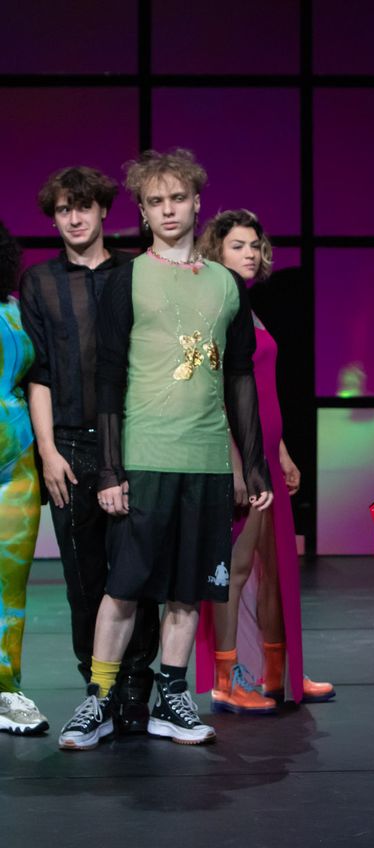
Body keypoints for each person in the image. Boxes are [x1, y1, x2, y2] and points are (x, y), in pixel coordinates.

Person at [57, 149, 271, 750]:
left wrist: (253, 462)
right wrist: (109, 470)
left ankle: (172, 699)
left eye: (178, 198)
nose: (168, 210)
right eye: (156, 202)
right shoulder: (127, 278)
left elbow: (240, 377)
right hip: (145, 456)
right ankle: (98, 699)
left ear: (197, 202)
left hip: (205, 461)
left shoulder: (227, 284)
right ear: (143, 212)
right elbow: (107, 377)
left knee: (187, 589)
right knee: (123, 587)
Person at [20, 167, 159, 733]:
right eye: (63, 210)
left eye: (83, 207)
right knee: (84, 580)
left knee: (138, 575)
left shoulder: (136, 271)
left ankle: (137, 690)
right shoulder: (40, 281)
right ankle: (97, 692)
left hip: (137, 439)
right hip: (71, 444)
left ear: (103, 210)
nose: (74, 218)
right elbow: (39, 373)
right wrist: (48, 451)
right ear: (53, 219)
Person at [194, 209, 334, 710]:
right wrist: (237, 461)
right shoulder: (217, 308)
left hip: (266, 452)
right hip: (240, 454)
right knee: (236, 566)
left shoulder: (244, 305)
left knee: (274, 567)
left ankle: (279, 674)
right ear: (215, 251)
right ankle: (226, 679)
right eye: (237, 245)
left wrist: (282, 451)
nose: (250, 253)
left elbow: (262, 391)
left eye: (254, 245)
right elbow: (216, 395)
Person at [0, 221, 47, 735]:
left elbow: (39, 383)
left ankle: (5, 689)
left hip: (16, 471)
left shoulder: (16, 312)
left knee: (9, 591)